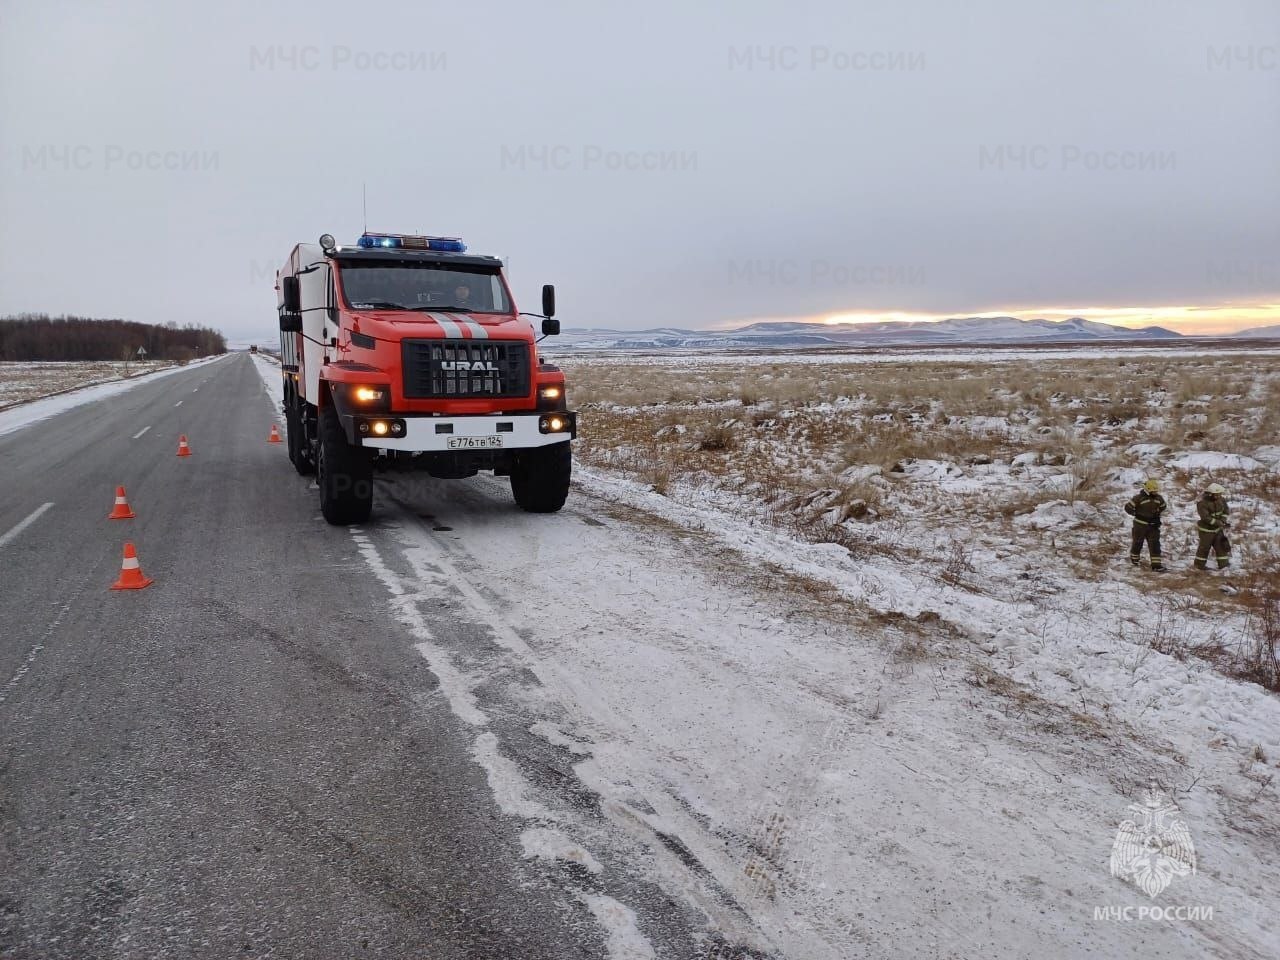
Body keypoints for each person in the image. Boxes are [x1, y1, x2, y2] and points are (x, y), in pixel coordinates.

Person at [1124, 479, 1167, 571]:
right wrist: (1136, 514)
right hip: (1140, 526)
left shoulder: (1159, 498)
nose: (1155, 492)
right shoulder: (1138, 498)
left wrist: (1156, 514)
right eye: (1153, 491)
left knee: (1155, 544)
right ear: (1147, 490)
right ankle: (1135, 560)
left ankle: (1156, 565)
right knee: (1138, 542)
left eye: (1156, 491)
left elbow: (1163, 506)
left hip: (1153, 526)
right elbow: (1127, 508)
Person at [1195, 483, 1231, 570]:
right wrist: (1219, 523)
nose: (1218, 496)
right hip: (1206, 531)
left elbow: (1226, 511)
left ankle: (1224, 565)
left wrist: (1223, 520)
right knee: (1204, 548)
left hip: (1218, 530)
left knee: (1221, 547)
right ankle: (1199, 566)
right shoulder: (1202, 503)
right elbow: (1206, 518)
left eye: (1219, 494)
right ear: (1210, 494)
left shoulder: (1221, 500)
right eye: (1216, 494)